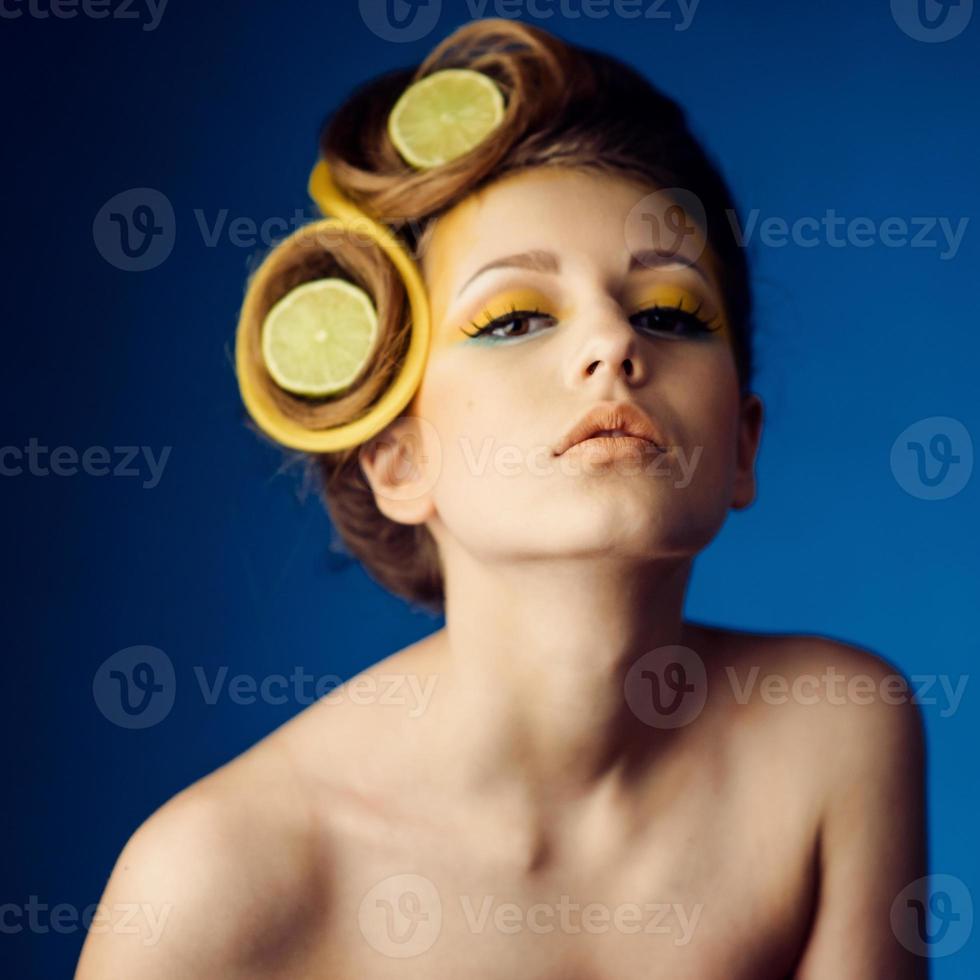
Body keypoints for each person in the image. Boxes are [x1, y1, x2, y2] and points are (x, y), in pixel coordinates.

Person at [76, 18, 927, 979]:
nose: (614, 343)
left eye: (671, 312)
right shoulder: (217, 879)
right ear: (396, 460)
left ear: (741, 446)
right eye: (515, 317)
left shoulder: (838, 733)